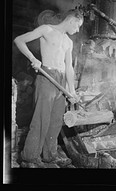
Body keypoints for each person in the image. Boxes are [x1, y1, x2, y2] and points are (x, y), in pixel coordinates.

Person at [14, 9, 84, 168]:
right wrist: (33, 59)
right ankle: (29, 158)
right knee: (41, 119)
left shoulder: (68, 42)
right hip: (46, 76)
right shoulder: (47, 29)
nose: (78, 30)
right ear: (72, 20)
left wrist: (71, 90)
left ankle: (49, 156)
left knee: (55, 121)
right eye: (78, 25)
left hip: (61, 81)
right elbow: (19, 40)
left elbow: (69, 67)